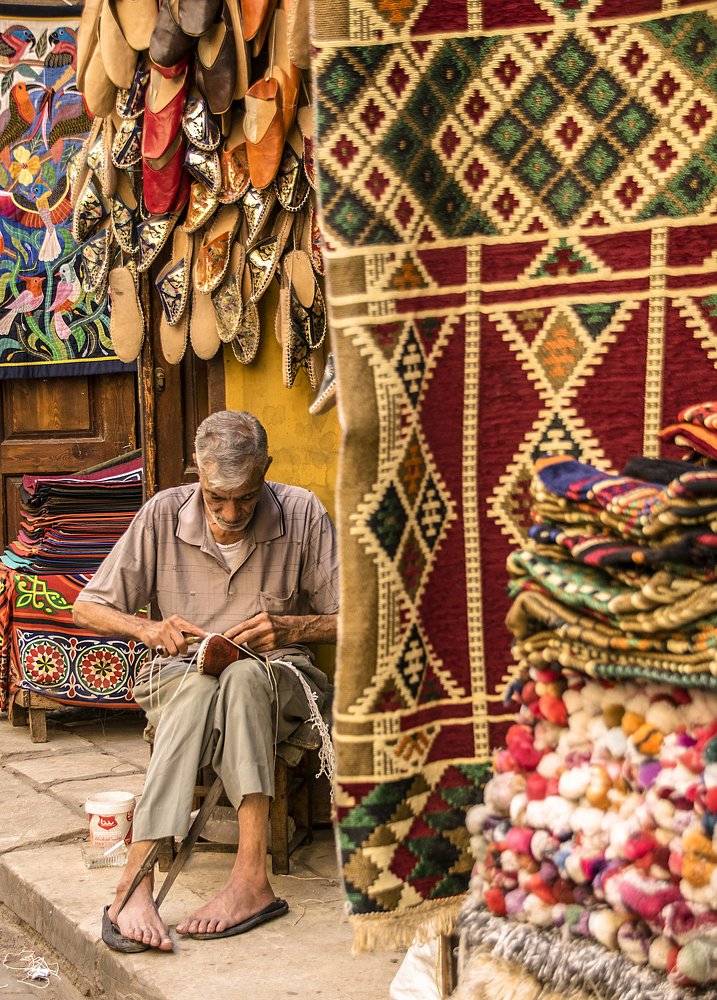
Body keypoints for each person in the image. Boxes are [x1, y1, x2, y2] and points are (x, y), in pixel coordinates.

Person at [73, 410, 338, 952]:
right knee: (198, 686)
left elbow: (361, 617)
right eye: (217, 498)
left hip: (279, 674)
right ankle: (137, 878)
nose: (231, 512)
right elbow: (86, 607)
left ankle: (249, 880)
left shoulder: (302, 511)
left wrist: (292, 627)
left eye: (246, 497)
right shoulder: (162, 514)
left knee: (243, 678)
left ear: (267, 468)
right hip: (181, 673)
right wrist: (148, 628)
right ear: (197, 469)